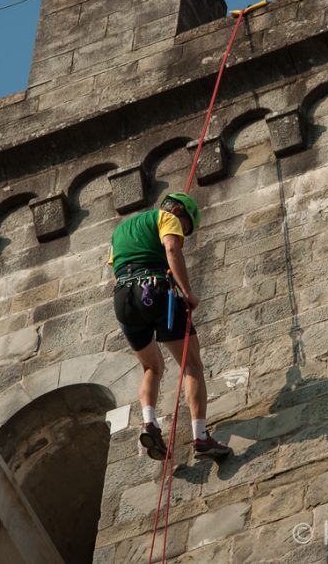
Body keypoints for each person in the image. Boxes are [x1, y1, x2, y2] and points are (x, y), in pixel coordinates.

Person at [109, 193, 231, 461]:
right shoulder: (166, 217)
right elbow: (172, 250)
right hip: (154, 289)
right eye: (184, 228)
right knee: (192, 365)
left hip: (123, 301)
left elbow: (117, 271)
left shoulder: (119, 233)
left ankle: (149, 422)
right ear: (177, 210)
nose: (181, 234)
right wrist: (187, 292)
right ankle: (201, 437)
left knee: (152, 367)